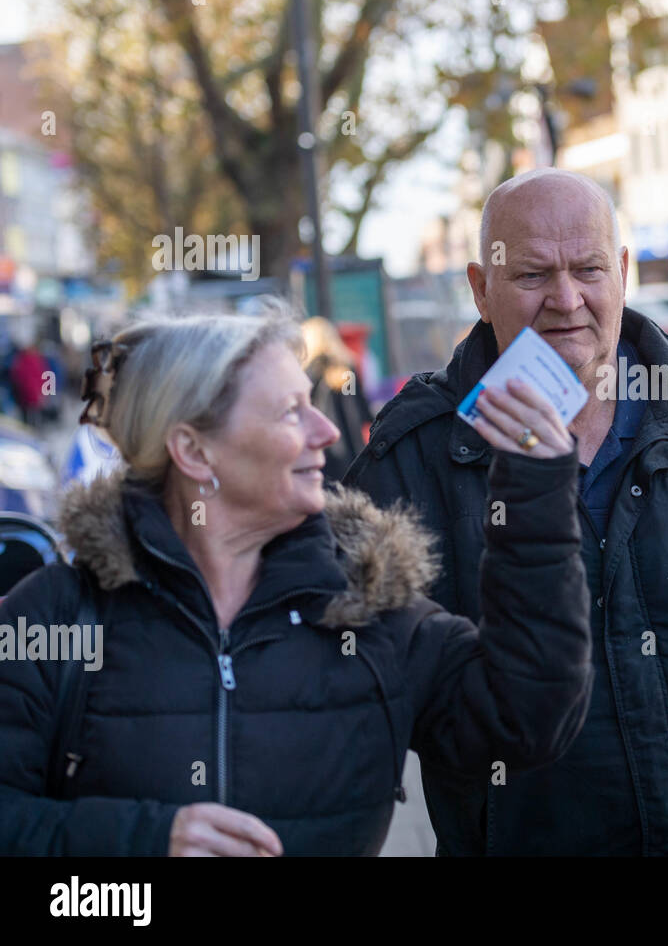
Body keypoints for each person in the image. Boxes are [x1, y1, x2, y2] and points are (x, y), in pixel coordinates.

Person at [345, 168, 668, 856]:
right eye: (533, 274)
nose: (566, 300)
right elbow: (360, 674)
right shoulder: (414, 455)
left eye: (589, 268)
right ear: (481, 288)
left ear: (622, 272)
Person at [0, 306, 592, 856]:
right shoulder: (55, 619)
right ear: (194, 452)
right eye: (291, 412)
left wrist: (534, 496)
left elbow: (524, 720)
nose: (326, 432)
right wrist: (145, 845)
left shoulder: (369, 609)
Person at [301, 317, 375, 481]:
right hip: (347, 441)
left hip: (319, 441)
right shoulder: (346, 367)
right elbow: (356, 406)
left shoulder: (307, 370)